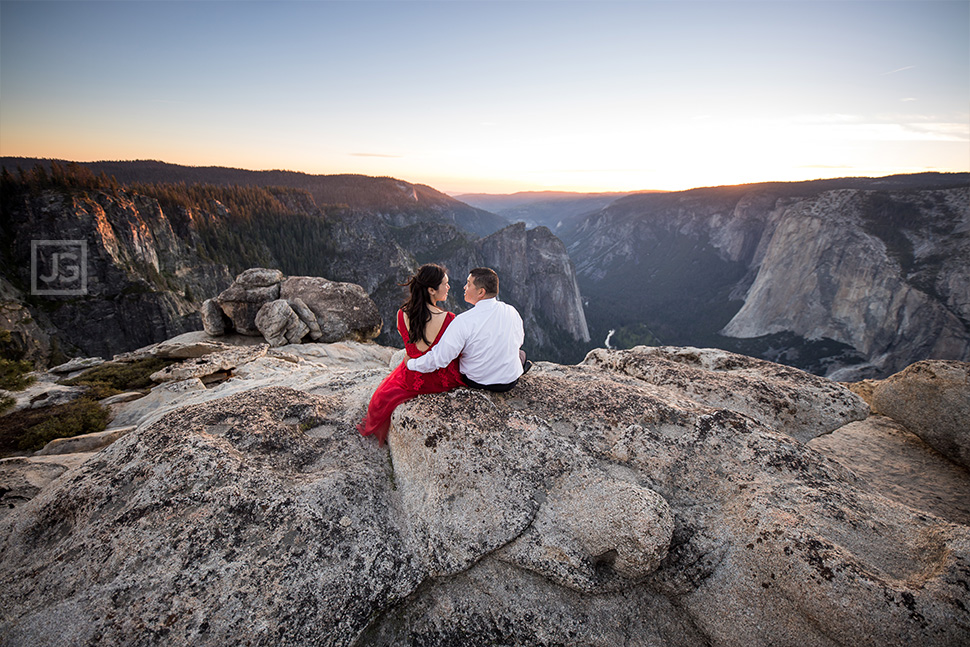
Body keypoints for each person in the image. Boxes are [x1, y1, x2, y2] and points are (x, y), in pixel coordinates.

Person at [357, 263, 465, 445]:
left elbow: (411, 345)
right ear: (431, 290)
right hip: (441, 380)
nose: (448, 287)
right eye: (445, 284)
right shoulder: (449, 319)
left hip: (413, 376)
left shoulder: (402, 314)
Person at [407, 267, 529, 392]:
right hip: (510, 381)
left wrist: (411, 364)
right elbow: (519, 341)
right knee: (521, 353)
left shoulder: (463, 321)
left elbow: (440, 358)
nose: (464, 287)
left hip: (477, 382)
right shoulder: (512, 311)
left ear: (481, 292)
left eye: (468, 284)